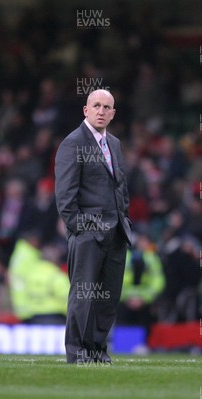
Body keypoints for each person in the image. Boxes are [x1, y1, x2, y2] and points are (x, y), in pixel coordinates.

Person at [55, 89, 132, 364]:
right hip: (88, 234)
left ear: (113, 113)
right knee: (83, 297)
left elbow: (120, 188)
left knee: (108, 299)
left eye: (107, 107)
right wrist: (80, 228)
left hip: (116, 233)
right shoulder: (72, 143)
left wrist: (124, 219)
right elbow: (65, 195)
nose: (101, 111)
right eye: (96, 105)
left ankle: (98, 351)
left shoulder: (115, 144)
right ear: (85, 110)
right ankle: (78, 353)